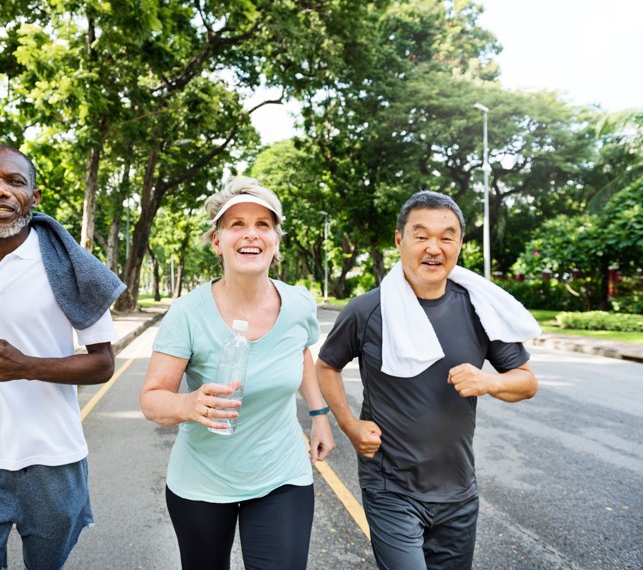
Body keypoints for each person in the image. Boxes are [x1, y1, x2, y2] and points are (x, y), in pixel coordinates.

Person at [0, 145, 126, 569]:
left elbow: (103, 364)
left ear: (34, 196)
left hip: (53, 459)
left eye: (14, 181)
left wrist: (25, 367)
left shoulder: (71, 267)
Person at [316, 190, 540, 570]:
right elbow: (326, 366)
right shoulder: (367, 310)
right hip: (391, 487)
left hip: (458, 492)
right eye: (421, 236)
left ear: (459, 244)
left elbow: (527, 381)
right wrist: (349, 425)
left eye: (446, 236)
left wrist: (490, 383)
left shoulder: (479, 308)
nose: (434, 247)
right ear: (400, 240)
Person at [139, 176, 335, 570]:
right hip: (202, 482)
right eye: (237, 224)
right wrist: (189, 403)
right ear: (218, 241)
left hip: (282, 475)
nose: (251, 234)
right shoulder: (188, 313)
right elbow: (152, 399)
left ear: (276, 241)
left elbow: (300, 353)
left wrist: (319, 416)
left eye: (263, 224)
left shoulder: (297, 303)